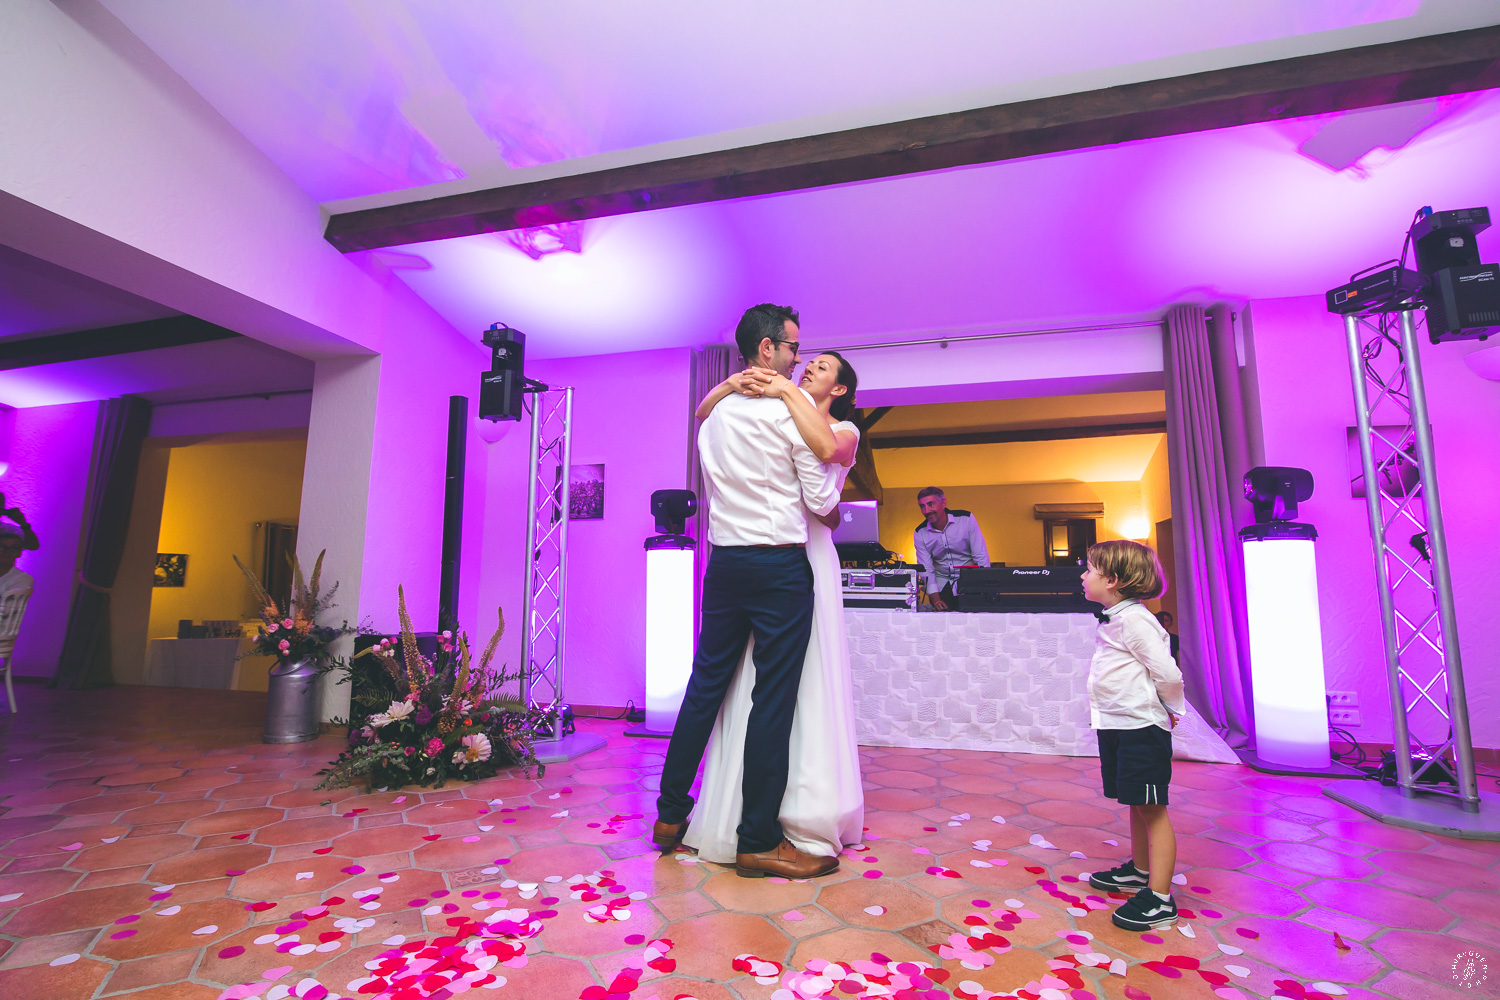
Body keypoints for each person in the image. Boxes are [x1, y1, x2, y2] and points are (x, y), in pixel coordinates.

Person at [653, 303, 842, 880]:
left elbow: (706, 424)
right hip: (778, 566)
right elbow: (822, 496)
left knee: (704, 688)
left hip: (725, 564)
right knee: (772, 700)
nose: (798, 359)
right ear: (767, 349)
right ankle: (757, 841)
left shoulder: (713, 418)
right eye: (793, 348)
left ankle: (668, 815)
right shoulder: (792, 412)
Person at [684, 348, 864, 866]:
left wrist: (784, 389)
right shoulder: (777, 416)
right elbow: (707, 417)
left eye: (823, 367)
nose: (809, 367)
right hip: (770, 556)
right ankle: (747, 809)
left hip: (809, 556)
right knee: (755, 683)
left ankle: (810, 801)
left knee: (807, 676)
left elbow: (827, 501)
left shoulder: (845, 429)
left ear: (840, 389)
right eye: (808, 362)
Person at [1080, 539, 1186, 931]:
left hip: (1141, 727)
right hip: (1118, 724)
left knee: (1152, 809)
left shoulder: (1137, 621)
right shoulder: (1117, 618)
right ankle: (1141, 871)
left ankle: (1160, 899)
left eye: (1089, 569)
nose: (1083, 576)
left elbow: (1168, 673)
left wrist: (1172, 709)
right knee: (1136, 801)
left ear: (1113, 580)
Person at [913, 487, 989, 611]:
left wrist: (986, 590)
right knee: (941, 620)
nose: (926, 511)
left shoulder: (966, 519)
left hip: (969, 581)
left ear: (943, 503)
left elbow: (981, 556)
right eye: (922, 506)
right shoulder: (919, 533)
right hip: (941, 586)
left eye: (930, 504)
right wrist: (936, 600)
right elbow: (926, 569)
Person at [0, 526, 33, 595]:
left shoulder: (22, 579)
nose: (7, 551)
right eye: (2, 547)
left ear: (19, 553)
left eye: (14, 548)